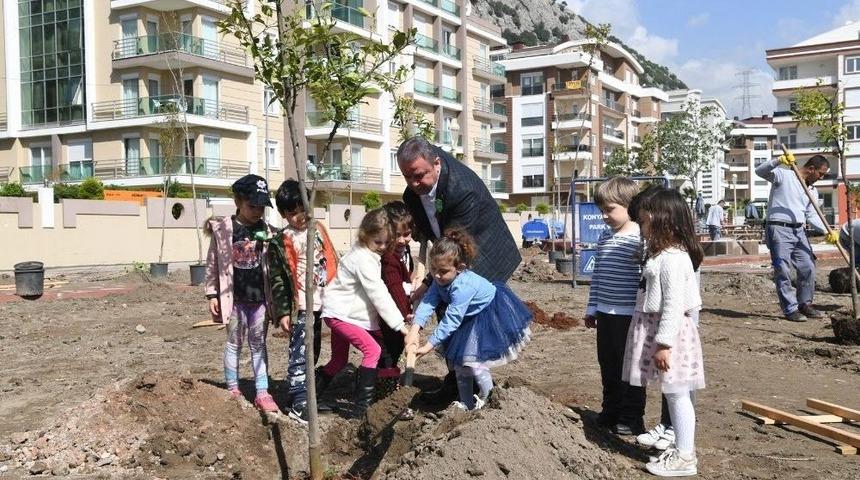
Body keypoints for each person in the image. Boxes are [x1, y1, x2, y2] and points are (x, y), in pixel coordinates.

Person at [397, 135, 521, 403]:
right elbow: (427, 234)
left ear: (437, 164)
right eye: (407, 177)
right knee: (445, 307)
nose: (413, 184)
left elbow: (452, 249)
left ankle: (480, 387)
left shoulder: (462, 189)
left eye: (419, 176)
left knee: (466, 320)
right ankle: (457, 381)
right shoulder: (413, 193)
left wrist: (429, 283)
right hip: (449, 252)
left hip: (482, 250)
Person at [622, 189, 705, 477]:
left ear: (660, 221)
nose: (641, 230)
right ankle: (681, 449)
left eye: (643, 223)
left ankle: (685, 456)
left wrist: (664, 344)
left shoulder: (672, 258)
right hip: (661, 331)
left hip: (670, 334)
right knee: (673, 394)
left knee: (677, 394)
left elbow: (673, 304)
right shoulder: (664, 254)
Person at [411, 228, 532, 410]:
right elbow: (429, 301)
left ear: (460, 268)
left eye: (442, 271)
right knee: (461, 365)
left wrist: (429, 345)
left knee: (474, 361)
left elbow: (452, 318)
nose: (436, 275)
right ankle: (466, 403)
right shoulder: (439, 280)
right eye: (433, 269)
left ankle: (489, 398)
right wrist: (415, 328)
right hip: (467, 317)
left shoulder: (464, 286)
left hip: (485, 313)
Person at [315, 208, 409, 417]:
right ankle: (361, 411)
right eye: (378, 242)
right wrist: (400, 325)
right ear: (365, 234)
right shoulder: (363, 259)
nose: (383, 247)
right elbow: (378, 293)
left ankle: (307, 398)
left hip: (338, 312)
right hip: (341, 314)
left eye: (387, 243)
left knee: (338, 361)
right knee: (373, 351)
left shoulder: (365, 252)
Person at [204, 174, 280, 413]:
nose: (258, 211)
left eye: (261, 206)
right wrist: (212, 294)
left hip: (259, 300)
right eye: (252, 205)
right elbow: (213, 264)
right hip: (234, 299)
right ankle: (233, 388)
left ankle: (262, 391)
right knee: (234, 342)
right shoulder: (225, 231)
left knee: (259, 343)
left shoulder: (268, 231)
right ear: (238, 201)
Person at [269, 179, 339, 424]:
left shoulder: (317, 229)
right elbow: (278, 278)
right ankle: (299, 403)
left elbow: (331, 258)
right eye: (292, 212)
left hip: (321, 301)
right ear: (284, 215)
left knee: (315, 349)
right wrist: (283, 311)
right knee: (300, 352)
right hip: (300, 305)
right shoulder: (283, 240)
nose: (299, 216)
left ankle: (305, 395)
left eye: (303, 209)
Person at [583, 177, 646, 436]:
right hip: (606, 315)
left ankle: (632, 417)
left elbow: (644, 280)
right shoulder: (604, 237)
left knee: (631, 367)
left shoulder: (640, 240)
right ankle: (610, 410)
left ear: (629, 206)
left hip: (629, 316)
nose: (604, 216)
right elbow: (598, 276)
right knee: (608, 363)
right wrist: (592, 307)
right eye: (602, 211)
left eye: (610, 210)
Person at [755, 153, 836, 322]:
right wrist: (778, 161)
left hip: (799, 231)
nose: (821, 178)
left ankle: (804, 304)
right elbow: (760, 171)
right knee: (783, 269)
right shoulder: (784, 175)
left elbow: (811, 215)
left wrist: (827, 231)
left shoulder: (812, 190)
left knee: (808, 266)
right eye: (820, 174)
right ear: (811, 169)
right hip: (779, 228)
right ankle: (790, 309)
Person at [376, 201, 418, 400]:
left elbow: (404, 281)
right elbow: (394, 289)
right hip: (388, 317)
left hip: (399, 314)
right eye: (397, 235)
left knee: (394, 353)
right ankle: (383, 395)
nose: (402, 240)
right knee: (387, 355)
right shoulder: (388, 258)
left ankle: (384, 386)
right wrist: (406, 316)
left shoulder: (404, 252)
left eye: (407, 234)